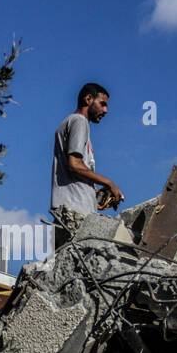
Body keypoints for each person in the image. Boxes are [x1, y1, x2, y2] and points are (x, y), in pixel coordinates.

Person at [50, 81, 124, 247]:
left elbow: (75, 170)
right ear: (88, 99)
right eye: (102, 104)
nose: (106, 110)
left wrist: (94, 194)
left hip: (68, 208)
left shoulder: (68, 122)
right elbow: (74, 164)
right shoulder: (79, 121)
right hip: (76, 210)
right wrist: (109, 183)